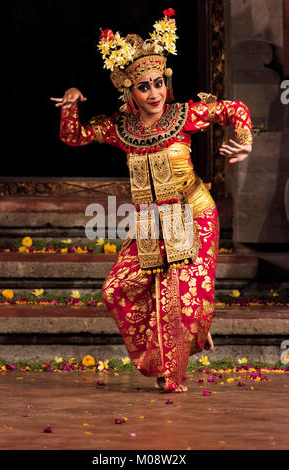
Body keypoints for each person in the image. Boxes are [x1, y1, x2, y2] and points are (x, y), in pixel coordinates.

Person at [51, 8, 252, 393]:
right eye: (144, 87)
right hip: (150, 222)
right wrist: (73, 101)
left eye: (158, 83)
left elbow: (234, 109)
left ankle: (175, 366)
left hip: (193, 214)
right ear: (130, 92)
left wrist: (244, 142)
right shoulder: (121, 128)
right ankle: (179, 344)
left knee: (179, 300)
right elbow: (74, 137)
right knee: (115, 290)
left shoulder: (183, 115)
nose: (154, 93)